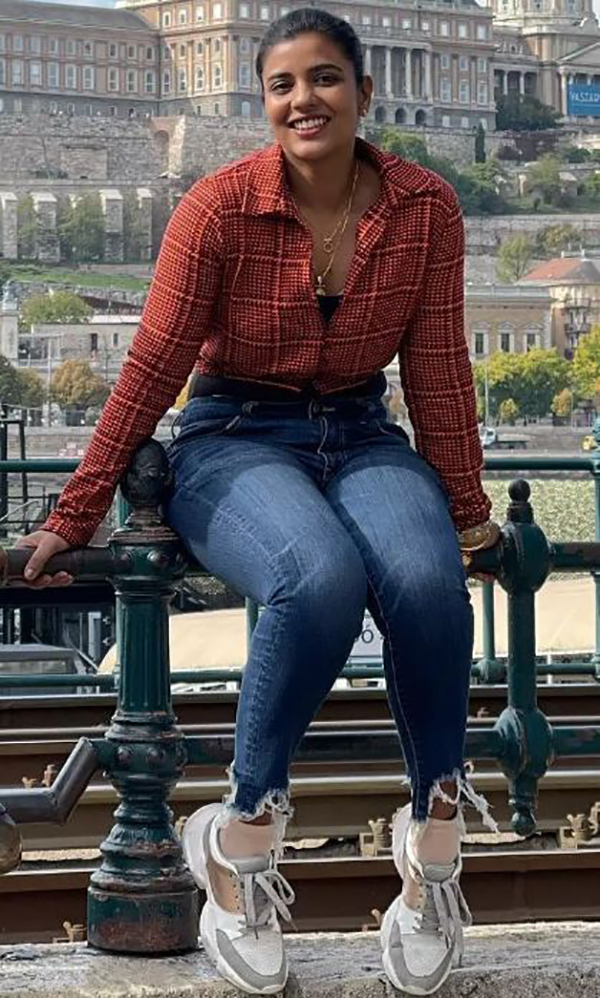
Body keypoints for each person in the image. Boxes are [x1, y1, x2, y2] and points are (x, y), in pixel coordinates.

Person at [18, 8, 500, 995]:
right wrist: (76, 510)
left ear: (363, 92)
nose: (302, 99)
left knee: (426, 580)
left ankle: (434, 842)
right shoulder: (219, 207)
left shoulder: (427, 208)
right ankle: (240, 838)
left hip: (361, 431)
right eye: (282, 84)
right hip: (232, 435)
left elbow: (439, 365)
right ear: (264, 99)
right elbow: (153, 364)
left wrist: (466, 509)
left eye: (324, 78)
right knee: (315, 580)